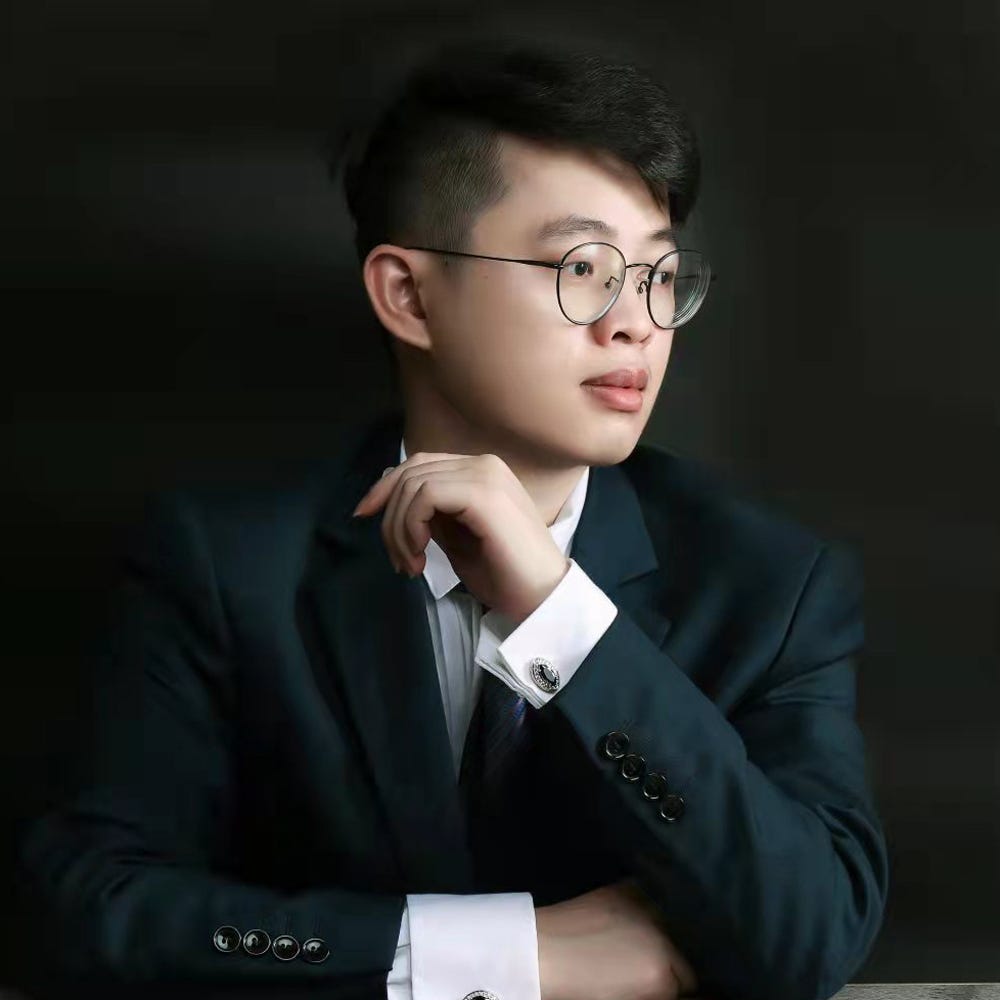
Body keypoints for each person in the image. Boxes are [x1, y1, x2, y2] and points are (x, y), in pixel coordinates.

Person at [16, 37, 889, 1000]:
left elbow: (811, 934)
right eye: (584, 267)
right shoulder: (227, 566)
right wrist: (520, 954)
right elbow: (91, 912)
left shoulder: (769, 585)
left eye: (657, 273)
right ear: (408, 295)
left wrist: (560, 614)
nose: (636, 322)